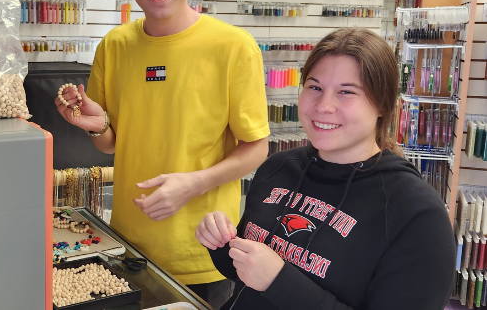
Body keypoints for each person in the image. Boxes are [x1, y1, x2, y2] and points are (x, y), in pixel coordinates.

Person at [54, 0, 270, 307]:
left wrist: (194, 183)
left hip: (202, 255)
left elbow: (256, 147)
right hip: (127, 249)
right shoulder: (114, 46)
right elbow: (110, 145)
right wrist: (97, 125)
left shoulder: (233, 47)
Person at [195, 28, 456, 310]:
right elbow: (247, 277)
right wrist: (223, 243)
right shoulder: (278, 167)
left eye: (346, 92)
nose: (324, 106)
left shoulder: (416, 215)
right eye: (315, 87)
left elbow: (272, 281)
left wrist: (280, 282)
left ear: (382, 104)